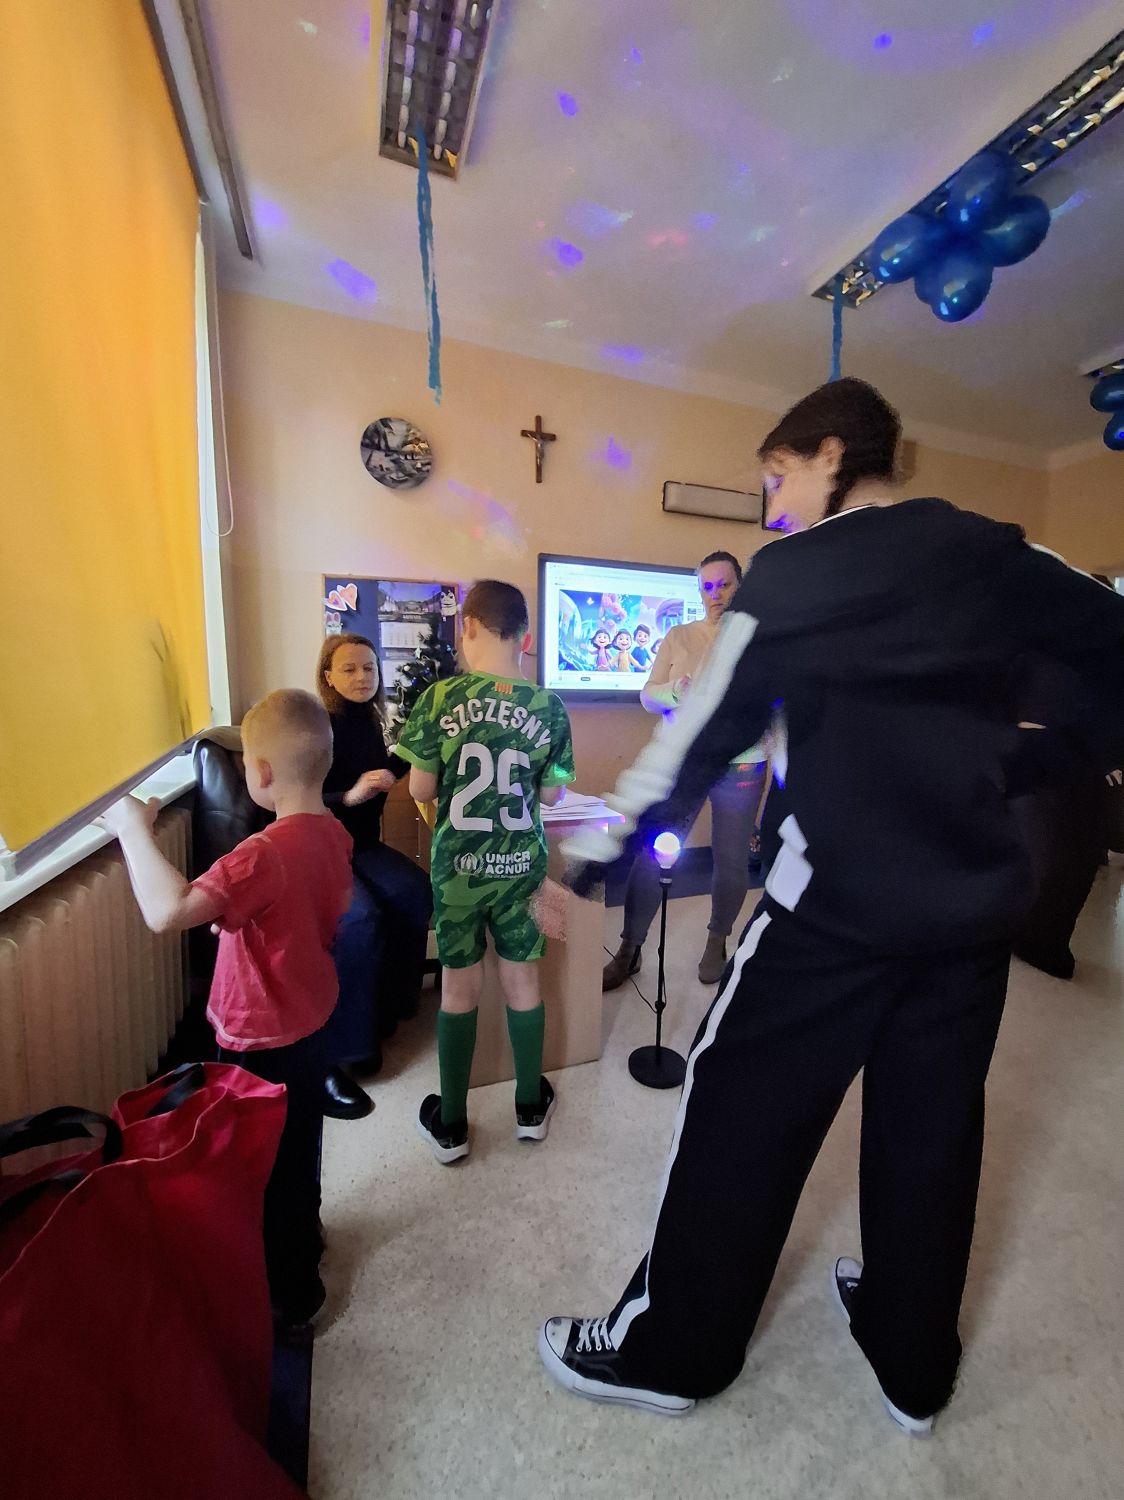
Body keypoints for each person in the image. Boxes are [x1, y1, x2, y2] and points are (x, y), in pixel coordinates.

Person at [538, 378, 1124, 1431]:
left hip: (827, 919)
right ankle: (911, 1363)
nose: (773, 504)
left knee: (732, 1120)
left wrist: (602, 844)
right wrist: (1024, 764)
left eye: (777, 475)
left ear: (828, 455)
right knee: (930, 1133)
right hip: (968, 921)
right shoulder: (998, 553)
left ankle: (671, 1352)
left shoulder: (793, 575)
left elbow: (703, 725)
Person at [100, 690, 353, 1328]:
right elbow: (291, 911)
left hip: (260, 1036)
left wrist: (132, 830)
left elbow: (167, 912)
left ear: (261, 772)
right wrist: (240, 918)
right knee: (299, 1143)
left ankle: (291, 1296)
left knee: (261, 1161)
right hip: (311, 1018)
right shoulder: (333, 833)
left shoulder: (262, 853)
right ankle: (306, 1241)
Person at [396, 580, 575, 1163]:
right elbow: (552, 795)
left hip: (457, 871)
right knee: (523, 981)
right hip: (522, 868)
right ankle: (529, 1107)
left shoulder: (439, 698)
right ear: (526, 636)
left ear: (467, 626)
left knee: (457, 987)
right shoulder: (549, 706)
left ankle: (451, 1123)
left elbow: (420, 787)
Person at [602, 551, 769, 989]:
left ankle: (717, 940)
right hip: (684, 761)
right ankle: (629, 948)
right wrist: (676, 691)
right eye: (707, 586)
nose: (716, 594)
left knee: (731, 859)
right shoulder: (679, 636)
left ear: (740, 585)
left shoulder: (760, 638)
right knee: (651, 852)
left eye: (724, 584)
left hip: (742, 762)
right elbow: (648, 695)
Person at [317, 633, 434, 1119]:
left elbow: (382, 772)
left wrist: (408, 754)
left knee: (415, 893)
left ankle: (393, 1006)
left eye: (369, 668)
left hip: (363, 847)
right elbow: (292, 798)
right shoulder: (318, 726)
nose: (362, 677)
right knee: (360, 919)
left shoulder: (370, 721)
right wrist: (347, 797)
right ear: (328, 677)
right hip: (323, 851)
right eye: (349, 669)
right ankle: (347, 1049)